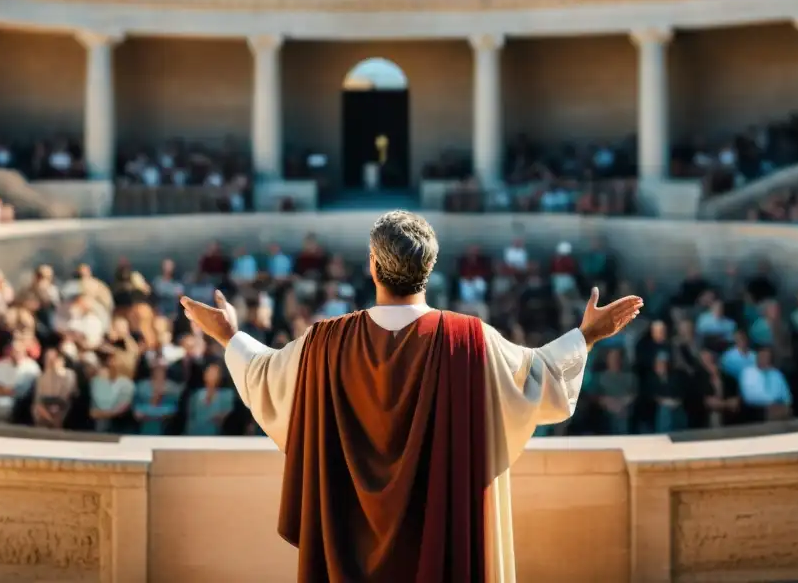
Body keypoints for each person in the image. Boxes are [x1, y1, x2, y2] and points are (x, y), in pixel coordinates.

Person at [182, 210, 642, 582]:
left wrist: (229, 336)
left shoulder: (325, 341)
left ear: (373, 265)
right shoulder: (469, 340)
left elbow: (264, 375)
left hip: (346, 545)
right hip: (438, 544)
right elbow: (538, 377)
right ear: (429, 268)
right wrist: (587, 336)